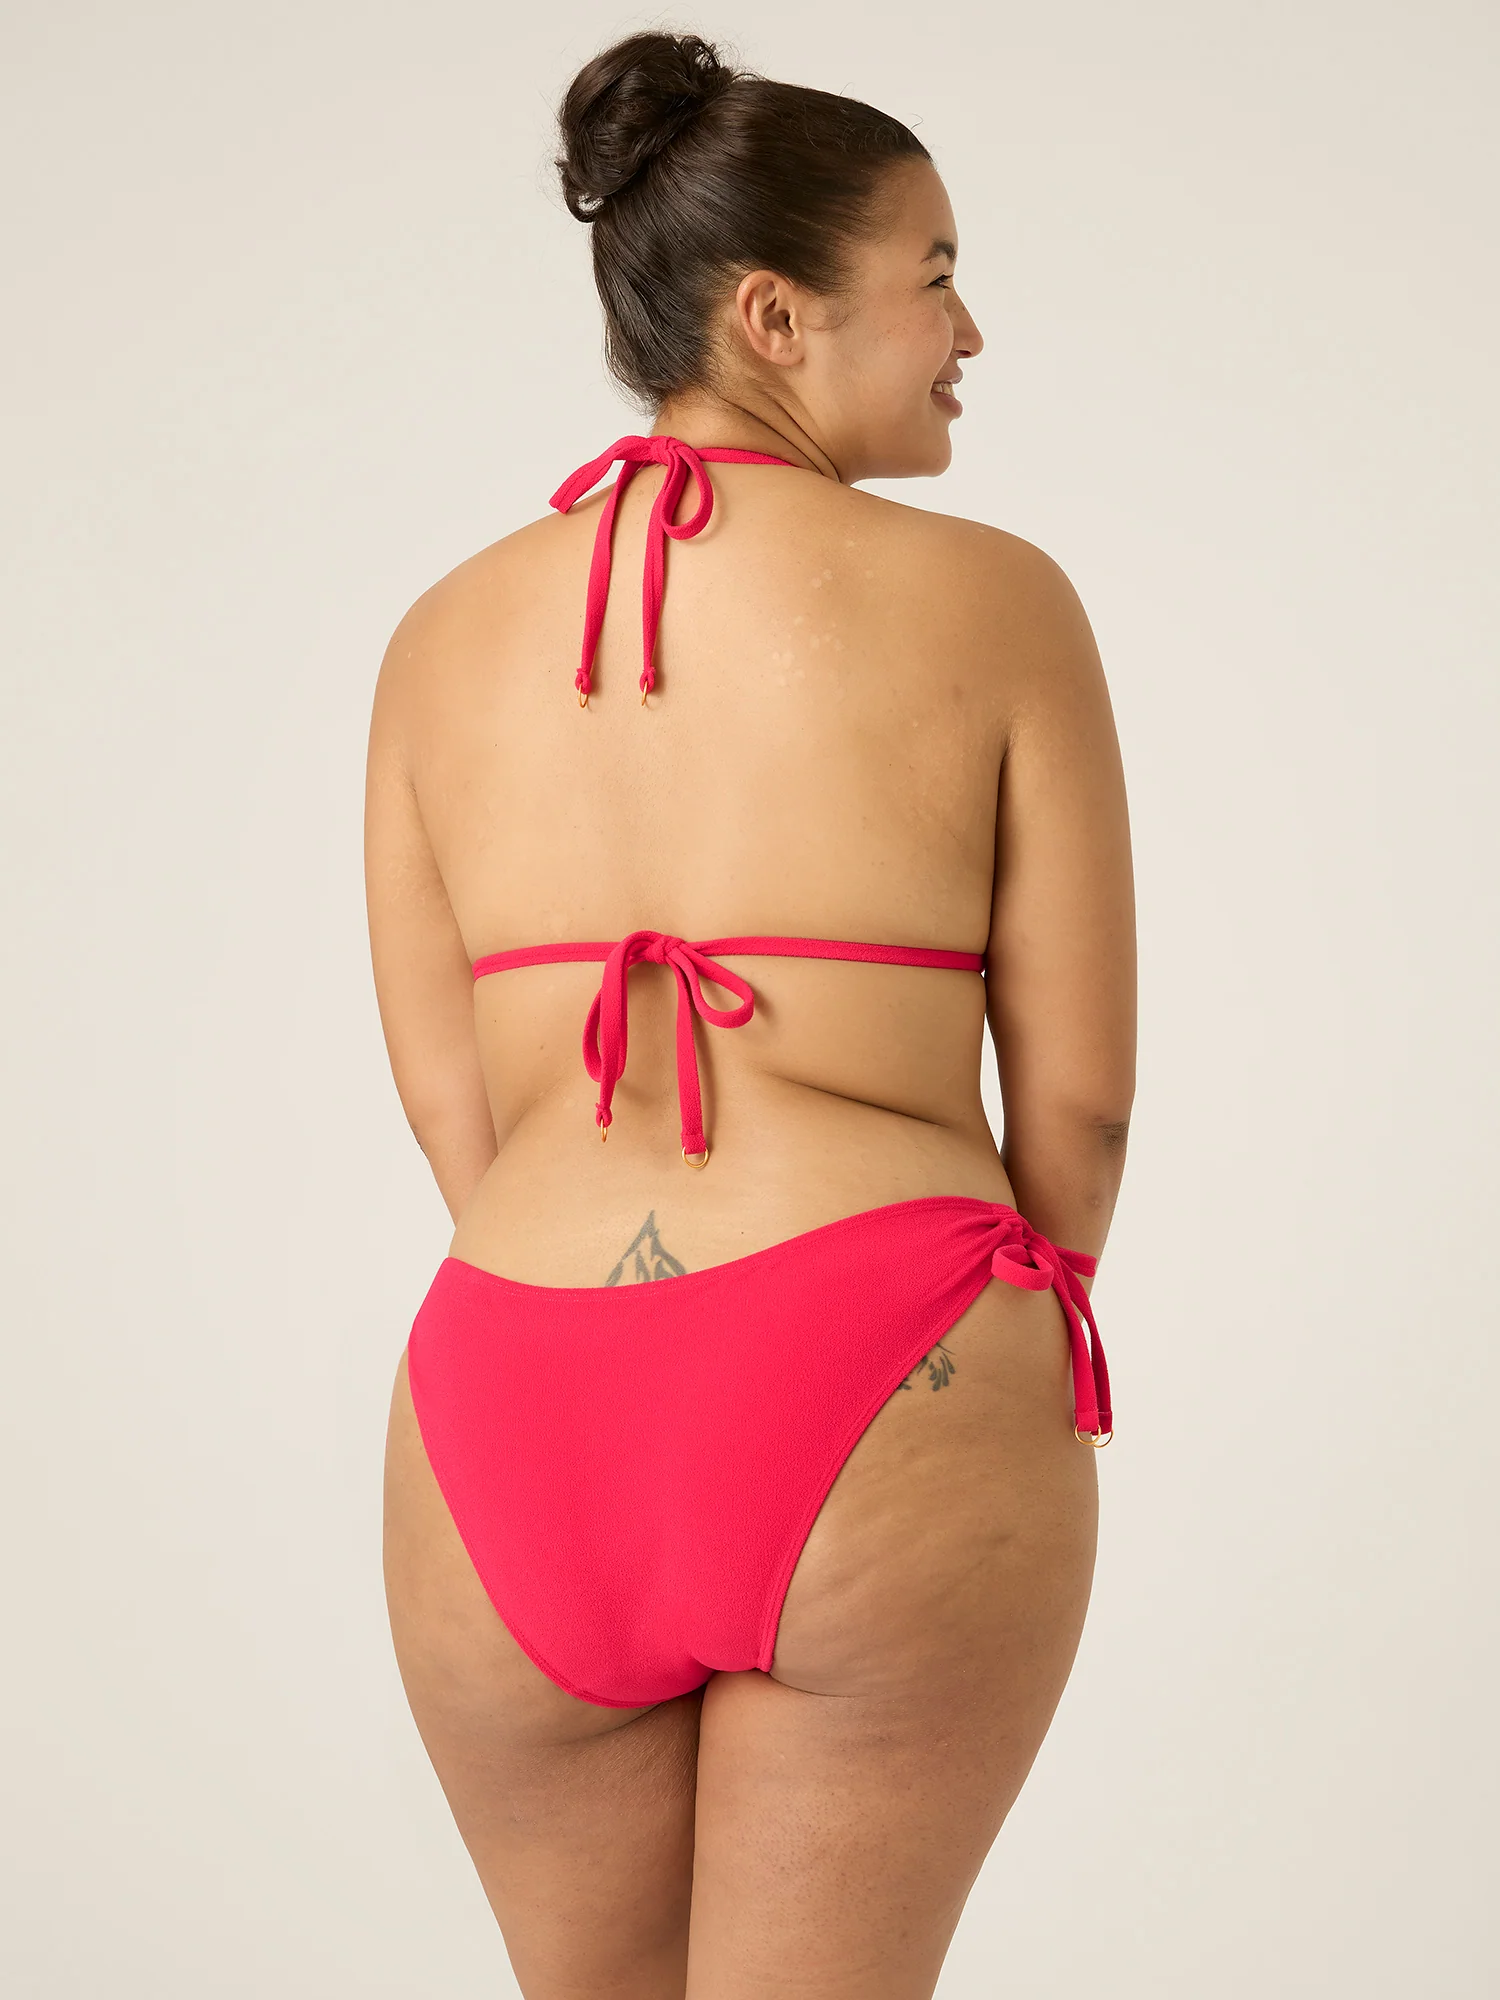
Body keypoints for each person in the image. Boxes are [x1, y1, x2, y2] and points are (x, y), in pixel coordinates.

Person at [366, 29, 1135, 2000]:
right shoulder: (996, 600)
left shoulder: (439, 637)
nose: (971, 330)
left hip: (508, 1392)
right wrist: (998, 1340)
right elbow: (1083, 1102)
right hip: (885, 1360)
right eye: (937, 274)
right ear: (775, 314)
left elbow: (454, 1109)